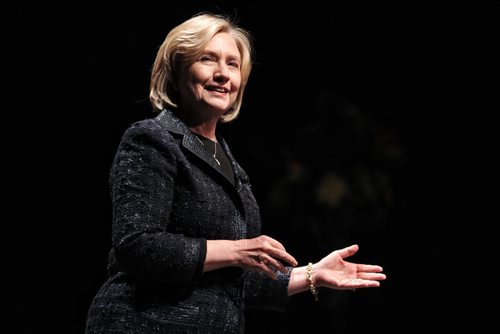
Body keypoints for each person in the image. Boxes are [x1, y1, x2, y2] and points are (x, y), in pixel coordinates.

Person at [85, 12, 386, 333]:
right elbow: (137, 246)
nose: (222, 74)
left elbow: (229, 279)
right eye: (207, 59)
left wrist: (311, 274)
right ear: (175, 73)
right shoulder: (151, 140)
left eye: (232, 64)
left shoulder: (229, 162)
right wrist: (238, 250)